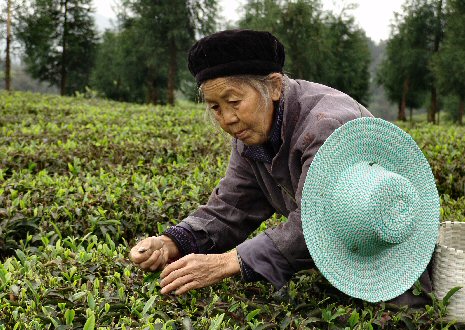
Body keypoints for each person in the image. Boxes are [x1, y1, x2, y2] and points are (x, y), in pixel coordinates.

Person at [129, 29, 434, 305]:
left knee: (402, 321)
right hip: (340, 262)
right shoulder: (252, 135)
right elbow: (232, 207)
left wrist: (227, 262)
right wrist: (173, 241)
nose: (227, 119)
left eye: (234, 101)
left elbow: (318, 221)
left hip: (390, 257)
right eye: (215, 107)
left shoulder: (325, 126)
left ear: (274, 86)